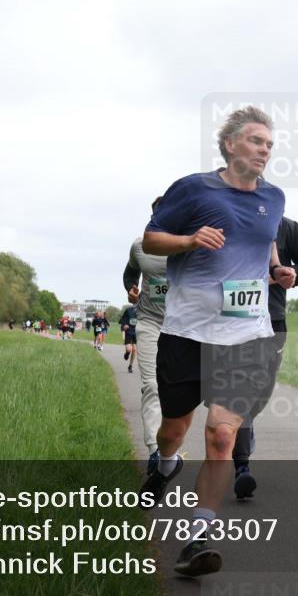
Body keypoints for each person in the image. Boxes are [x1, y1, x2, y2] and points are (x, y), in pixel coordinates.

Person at [137, 106, 296, 577]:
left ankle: (198, 537)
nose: (265, 150)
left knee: (222, 435)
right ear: (229, 145)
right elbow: (150, 240)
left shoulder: (275, 198)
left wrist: (276, 271)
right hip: (187, 331)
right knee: (174, 430)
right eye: (255, 141)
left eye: (269, 144)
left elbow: (264, 242)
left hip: (247, 333)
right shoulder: (193, 188)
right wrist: (187, 242)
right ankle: (164, 463)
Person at [232, 215, 298, 499]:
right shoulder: (224, 219)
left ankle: (244, 428)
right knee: (241, 395)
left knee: (260, 395)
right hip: (234, 320)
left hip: (274, 320)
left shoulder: (287, 227)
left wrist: (294, 274)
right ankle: (242, 466)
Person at [123, 199, 169, 469]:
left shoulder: (192, 245)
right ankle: (154, 449)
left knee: (180, 390)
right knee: (152, 385)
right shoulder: (140, 246)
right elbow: (130, 272)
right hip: (150, 321)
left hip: (183, 325)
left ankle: (171, 441)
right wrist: (131, 287)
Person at [119, 304, 138, 373]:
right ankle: (127, 353)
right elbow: (122, 319)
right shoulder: (128, 310)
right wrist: (124, 325)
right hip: (129, 332)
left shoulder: (143, 311)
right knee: (130, 349)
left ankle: (130, 366)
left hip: (136, 333)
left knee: (134, 349)